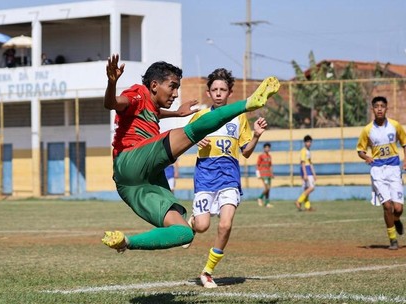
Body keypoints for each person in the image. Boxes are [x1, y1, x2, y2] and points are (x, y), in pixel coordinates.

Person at [101, 54, 280, 255]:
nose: (176, 93)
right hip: (130, 160)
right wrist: (111, 82)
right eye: (172, 86)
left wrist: (177, 114)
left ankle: (126, 242)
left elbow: (154, 113)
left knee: (184, 232)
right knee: (194, 131)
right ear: (153, 85)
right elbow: (112, 103)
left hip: (134, 185)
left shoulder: (150, 106)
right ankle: (248, 103)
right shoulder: (138, 94)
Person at [181, 68, 268, 288]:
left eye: (223, 89)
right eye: (214, 89)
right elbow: (184, 138)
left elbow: (246, 152)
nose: (218, 93)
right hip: (205, 178)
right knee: (202, 226)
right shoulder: (200, 116)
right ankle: (193, 223)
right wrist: (194, 141)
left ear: (230, 93)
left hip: (229, 178)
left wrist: (256, 135)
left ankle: (207, 272)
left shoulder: (239, 118)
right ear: (208, 93)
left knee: (225, 225)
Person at [357, 96, 406, 250]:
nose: (379, 109)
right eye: (376, 106)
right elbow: (360, 150)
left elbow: (405, 143)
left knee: (398, 208)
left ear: (387, 108)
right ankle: (393, 239)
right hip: (377, 170)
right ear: (372, 109)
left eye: (382, 106)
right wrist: (366, 157)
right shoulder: (367, 130)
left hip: (394, 169)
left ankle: (396, 220)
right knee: (387, 206)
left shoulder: (395, 125)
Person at [294, 135, 316, 211]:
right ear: (304, 142)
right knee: (312, 187)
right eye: (307, 142)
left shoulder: (308, 151)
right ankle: (299, 201)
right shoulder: (303, 151)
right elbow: (303, 163)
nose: (309, 143)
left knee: (306, 189)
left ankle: (307, 206)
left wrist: (314, 173)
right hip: (305, 170)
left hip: (309, 169)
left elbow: (310, 162)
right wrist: (305, 173)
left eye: (310, 142)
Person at [257, 142, 274, 208]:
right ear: (264, 148)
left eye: (268, 147)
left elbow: (270, 165)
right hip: (263, 174)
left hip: (268, 174)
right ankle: (260, 198)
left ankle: (267, 203)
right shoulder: (261, 156)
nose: (267, 149)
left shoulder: (269, 156)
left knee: (268, 189)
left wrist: (272, 173)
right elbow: (258, 165)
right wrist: (258, 174)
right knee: (267, 188)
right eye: (266, 147)